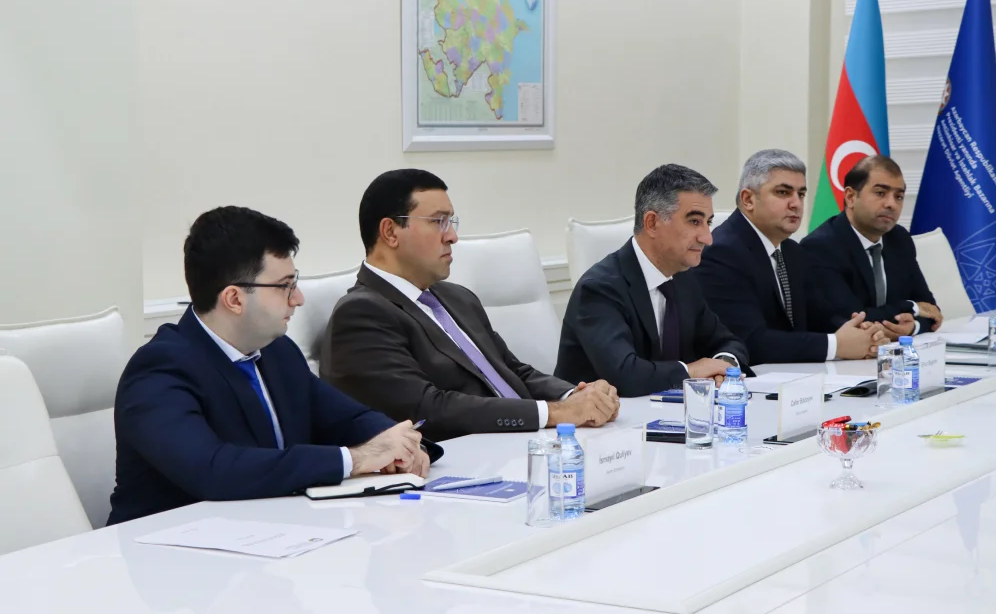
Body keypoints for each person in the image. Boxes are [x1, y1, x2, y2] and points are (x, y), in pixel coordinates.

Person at [108, 207, 439, 525]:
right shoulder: (159, 370)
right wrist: (356, 459)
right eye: (285, 286)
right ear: (234, 299)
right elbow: (213, 470)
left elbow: (348, 418)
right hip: (169, 550)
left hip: (273, 532)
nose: (298, 299)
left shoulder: (277, 352)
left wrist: (402, 445)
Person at [321, 169, 620, 442]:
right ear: (390, 232)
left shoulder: (458, 298)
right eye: (438, 222)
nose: (452, 236)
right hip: (463, 463)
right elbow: (427, 409)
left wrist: (578, 395)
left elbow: (513, 371)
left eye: (451, 222)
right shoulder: (361, 314)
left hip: (527, 443)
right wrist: (555, 413)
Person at [555, 164, 750, 397]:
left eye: (708, 223)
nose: (708, 238)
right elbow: (625, 375)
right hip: (602, 417)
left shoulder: (683, 279)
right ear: (652, 223)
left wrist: (724, 367)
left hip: (663, 412)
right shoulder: (599, 288)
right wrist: (691, 371)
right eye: (694, 222)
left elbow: (728, 342)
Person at [696, 150, 887, 365]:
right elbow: (749, 341)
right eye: (783, 192)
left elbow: (820, 315)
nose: (796, 203)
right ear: (748, 199)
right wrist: (836, 345)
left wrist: (861, 332)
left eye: (801, 194)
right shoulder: (721, 253)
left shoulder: (792, 251)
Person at [801, 155, 942, 338]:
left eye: (899, 197)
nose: (891, 204)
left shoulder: (899, 239)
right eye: (880, 193)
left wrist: (911, 327)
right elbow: (850, 321)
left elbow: (931, 310)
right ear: (851, 197)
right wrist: (911, 307)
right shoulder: (820, 247)